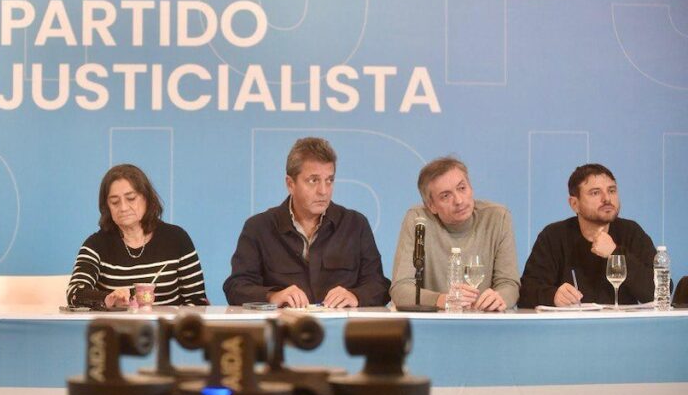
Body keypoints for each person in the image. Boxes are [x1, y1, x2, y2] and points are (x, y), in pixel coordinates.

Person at [223, 137, 390, 308]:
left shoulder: (355, 224)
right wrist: (272, 296)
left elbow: (379, 285)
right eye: (313, 180)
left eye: (329, 180)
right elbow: (236, 287)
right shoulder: (258, 227)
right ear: (290, 184)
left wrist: (356, 296)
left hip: (342, 324)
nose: (323, 191)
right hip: (282, 324)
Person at [67, 164, 209, 307]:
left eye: (131, 198)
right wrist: (108, 299)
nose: (123, 208)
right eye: (115, 202)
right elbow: (74, 293)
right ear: (107, 207)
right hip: (116, 322)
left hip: (169, 322)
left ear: (147, 198)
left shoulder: (177, 239)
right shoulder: (95, 245)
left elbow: (198, 300)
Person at [389, 157, 519, 311]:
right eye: (446, 196)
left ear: (471, 188)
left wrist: (500, 297)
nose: (458, 200)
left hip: (484, 319)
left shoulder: (497, 218)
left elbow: (509, 284)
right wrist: (442, 300)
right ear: (431, 206)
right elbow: (400, 289)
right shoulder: (418, 220)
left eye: (462, 188)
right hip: (433, 321)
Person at [519, 164, 656, 308]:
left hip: (621, 322)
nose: (607, 199)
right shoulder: (553, 236)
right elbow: (526, 292)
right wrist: (552, 296)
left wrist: (615, 253)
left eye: (612, 190)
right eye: (595, 193)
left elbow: (659, 292)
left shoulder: (631, 232)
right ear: (574, 204)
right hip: (571, 322)